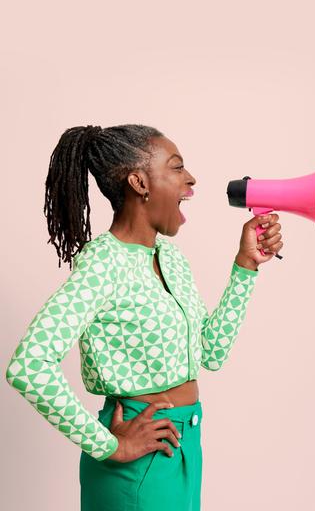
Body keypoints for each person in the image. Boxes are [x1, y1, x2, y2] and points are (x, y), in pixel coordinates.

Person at [5, 124, 283, 511]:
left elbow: (211, 353)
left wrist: (245, 266)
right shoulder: (104, 263)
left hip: (184, 447)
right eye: (176, 167)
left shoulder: (169, 257)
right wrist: (108, 445)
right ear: (139, 182)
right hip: (137, 459)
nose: (191, 179)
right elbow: (29, 365)